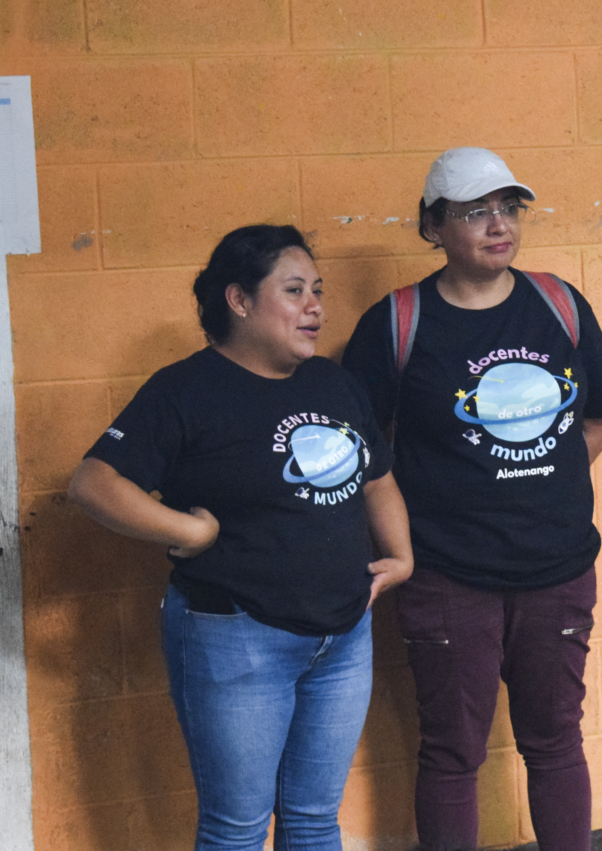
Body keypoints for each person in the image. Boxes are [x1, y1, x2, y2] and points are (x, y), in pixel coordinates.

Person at [68, 224, 413, 851]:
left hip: (342, 636)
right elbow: (94, 483)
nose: (315, 306)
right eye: (294, 290)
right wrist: (189, 529)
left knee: (315, 819)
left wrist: (401, 556)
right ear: (240, 300)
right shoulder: (185, 390)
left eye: (317, 290)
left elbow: (377, 477)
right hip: (239, 636)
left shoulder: (333, 383)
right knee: (237, 829)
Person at [341, 148, 602, 851]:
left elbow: (598, 419)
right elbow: (359, 452)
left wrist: (538, 483)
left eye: (509, 208)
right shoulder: (398, 322)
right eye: (475, 212)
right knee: (451, 752)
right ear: (433, 227)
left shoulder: (558, 304)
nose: (498, 225)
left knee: (555, 740)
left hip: (557, 569)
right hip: (448, 575)